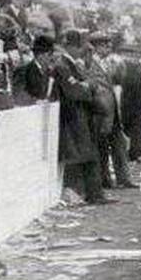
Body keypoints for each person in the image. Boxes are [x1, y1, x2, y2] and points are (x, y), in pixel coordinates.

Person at [52, 30, 113, 205]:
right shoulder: (63, 65)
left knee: (90, 155)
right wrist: (89, 86)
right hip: (73, 117)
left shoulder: (72, 64)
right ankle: (84, 194)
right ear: (72, 47)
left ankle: (95, 194)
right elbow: (75, 91)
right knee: (79, 157)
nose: (84, 52)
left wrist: (86, 86)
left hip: (82, 116)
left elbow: (82, 87)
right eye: (81, 48)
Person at [87, 32, 133, 189]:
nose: (108, 48)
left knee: (119, 145)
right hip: (99, 111)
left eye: (109, 45)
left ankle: (124, 178)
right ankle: (105, 179)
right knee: (101, 147)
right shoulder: (89, 64)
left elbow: (119, 80)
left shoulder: (111, 62)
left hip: (112, 110)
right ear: (97, 46)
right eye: (105, 45)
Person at [117, 41, 141, 161]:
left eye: (136, 53)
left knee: (140, 128)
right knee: (135, 128)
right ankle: (136, 153)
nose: (135, 56)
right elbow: (126, 84)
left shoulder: (138, 66)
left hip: (138, 103)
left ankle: (136, 152)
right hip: (130, 102)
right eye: (133, 53)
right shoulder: (126, 66)